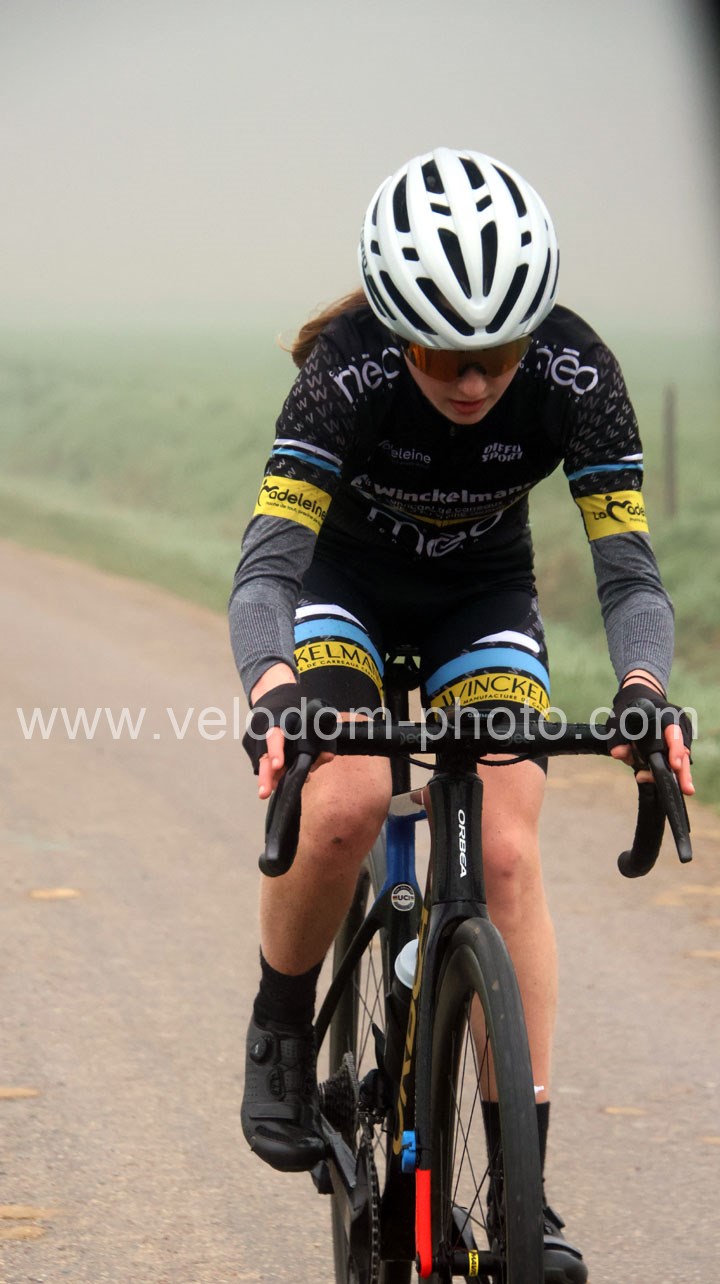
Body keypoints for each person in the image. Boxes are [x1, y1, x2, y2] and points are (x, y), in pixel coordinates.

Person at [229, 146, 693, 1284]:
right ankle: (280, 1029)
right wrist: (274, 690)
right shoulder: (344, 371)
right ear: (398, 329)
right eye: (444, 355)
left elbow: (631, 578)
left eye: (499, 353)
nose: (476, 382)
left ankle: (527, 1187)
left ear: (535, 332)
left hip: (480, 597)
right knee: (344, 800)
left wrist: (644, 694)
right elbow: (268, 568)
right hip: (341, 589)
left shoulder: (579, 372)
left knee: (506, 852)